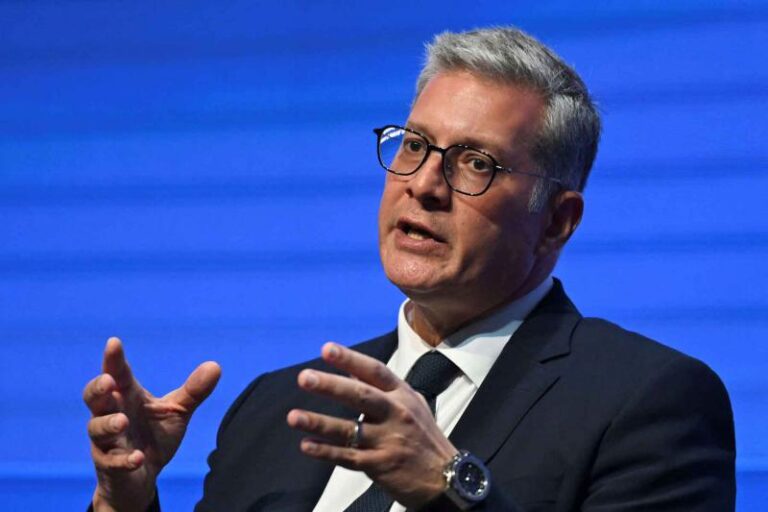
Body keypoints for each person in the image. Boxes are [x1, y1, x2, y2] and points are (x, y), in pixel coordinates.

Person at [83, 27, 735, 511]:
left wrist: (449, 489)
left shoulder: (647, 402)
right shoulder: (277, 408)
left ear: (558, 221)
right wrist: (123, 502)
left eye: (476, 163)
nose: (423, 184)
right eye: (415, 145)